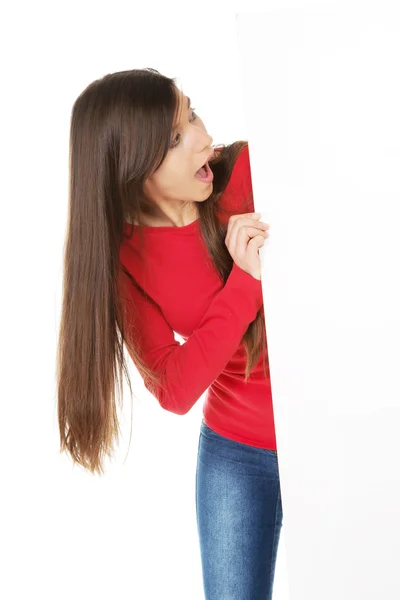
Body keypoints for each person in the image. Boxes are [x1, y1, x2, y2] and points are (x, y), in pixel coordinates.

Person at [56, 67, 282, 599]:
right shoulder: (123, 259)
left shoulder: (249, 170)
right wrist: (244, 283)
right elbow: (175, 388)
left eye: (193, 114)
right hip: (238, 451)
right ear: (132, 171)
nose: (204, 138)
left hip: (333, 428)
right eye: (176, 138)